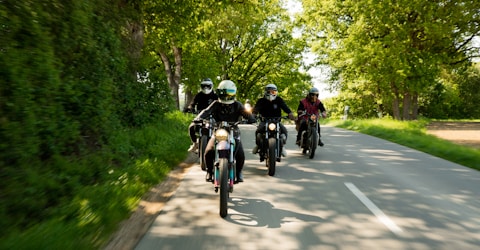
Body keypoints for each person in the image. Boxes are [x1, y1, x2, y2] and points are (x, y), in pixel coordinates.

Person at [193, 80, 256, 182]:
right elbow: (206, 111)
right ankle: (209, 171)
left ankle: (239, 172)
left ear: (234, 93)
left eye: (229, 93)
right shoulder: (216, 104)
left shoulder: (237, 105)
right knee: (208, 151)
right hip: (218, 130)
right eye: (224, 93)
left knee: (240, 154)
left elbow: (246, 113)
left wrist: (252, 118)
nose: (226, 96)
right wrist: (198, 118)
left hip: (233, 131)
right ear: (219, 93)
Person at [252, 84, 295, 157]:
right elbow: (256, 109)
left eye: (273, 92)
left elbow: (285, 107)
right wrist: (253, 115)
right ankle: (258, 145)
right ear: (266, 92)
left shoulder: (279, 100)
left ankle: (282, 146)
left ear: (276, 93)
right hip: (264, 121)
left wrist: (290, 113)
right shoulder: (261, 101)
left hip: (276, 121)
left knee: (284, 131)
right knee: (258, 130)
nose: (271, 94)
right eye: (269, 92)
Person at [187, 78, 218, 152]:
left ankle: (220, 143)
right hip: (200, 116)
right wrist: (190, 108)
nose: (206, 88)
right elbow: (192, 103)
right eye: (204, 86)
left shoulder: (215, 96)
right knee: (191, 127)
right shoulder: (199, 95)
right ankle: (195, 144)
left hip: (213, 116)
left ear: (211, 86)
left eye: (207, 86)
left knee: (220, 128)